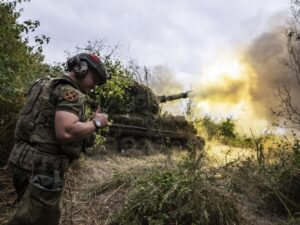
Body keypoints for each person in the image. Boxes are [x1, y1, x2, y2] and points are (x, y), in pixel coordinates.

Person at [6, 53, 109, 225]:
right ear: (81, 69)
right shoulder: (71, 92)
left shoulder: (44, 84)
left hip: (21, 161)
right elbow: (66, 132)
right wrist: (97, 122)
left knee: (29, 214)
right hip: (44, 168)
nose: (95, 86)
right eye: (95, 79)